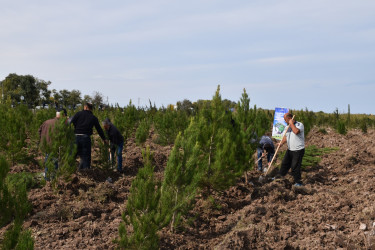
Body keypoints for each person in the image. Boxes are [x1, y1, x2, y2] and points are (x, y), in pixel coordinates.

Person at [69, 102, 107, 169]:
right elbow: (99, 129)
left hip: (76, 136)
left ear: (85, 107)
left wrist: (76, 128)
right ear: (91, 109)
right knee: (85, 157)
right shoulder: (93, 117)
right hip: (85, 138)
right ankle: (86, 174)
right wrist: (104, 139)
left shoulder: (78, 114)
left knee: (72, 155)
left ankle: (68, 172)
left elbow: (70, 122)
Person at [277, 113, 305, 186]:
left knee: (295, 167)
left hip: (298, 150)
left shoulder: (299, 124)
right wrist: (281, 143)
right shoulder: (287, 127)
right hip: (290, 149)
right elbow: (285, 137)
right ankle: (279, 178)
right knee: (284, 164)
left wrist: (291, 124)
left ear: (289, 118)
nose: (284, 121)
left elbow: (296, 131)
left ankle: (298, 182)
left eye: (285, 119)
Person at [39, 111, 63, 180]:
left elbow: (39, 131)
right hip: (55, 146)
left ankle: (47, 177)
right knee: (54, 162)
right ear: (63, 115)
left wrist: (42, 141)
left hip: (46, 145)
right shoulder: (61, 123)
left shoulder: (46, 122)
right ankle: (51, 179)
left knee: (48, 160)